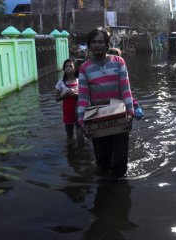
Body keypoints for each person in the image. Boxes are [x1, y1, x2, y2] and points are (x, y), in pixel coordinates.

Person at [77, 27, 134, 178]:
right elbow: (83, 97)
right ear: (89, 45)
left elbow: (125, 89)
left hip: (119, 115)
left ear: (107, 44)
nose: (97, 45)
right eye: (94, 42)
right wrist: (81, 120)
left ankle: (117, 191)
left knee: (120, 161)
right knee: (102, 160)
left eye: (101, 42)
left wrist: (130, 113)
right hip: (97, 117)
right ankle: (105, 189)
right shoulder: (84, 68)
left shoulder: (118, 62)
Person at [55, 59, 82, 141]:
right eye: (66, 66)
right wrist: (65, 95)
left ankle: (80, 149)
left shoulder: (80, 81)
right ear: (64, 69)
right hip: (67, 110)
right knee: (69, 134)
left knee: (80, 133)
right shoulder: (60, 83)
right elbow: (57, 99)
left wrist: (77, 95)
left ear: (75, 68)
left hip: (79, 110)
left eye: (70, 66)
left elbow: (86, 95)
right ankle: (70, 148)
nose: (68, 68)